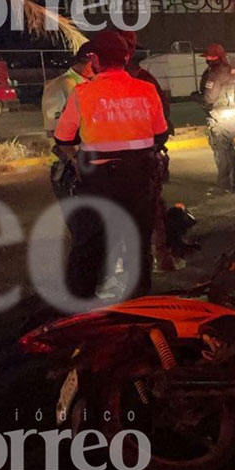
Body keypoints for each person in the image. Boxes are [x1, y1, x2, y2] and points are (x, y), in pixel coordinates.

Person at [54, 30, 169, 301]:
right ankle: (138, 303)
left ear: (94, 60)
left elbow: (63, 138)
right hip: (140, 179)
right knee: (138, 243)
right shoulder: (147, 89)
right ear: (126, 57)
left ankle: (79, 307)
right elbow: (160, 133)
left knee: (90, 243)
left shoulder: (83, 93)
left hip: (98, 180)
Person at [114, 29, 181, 273]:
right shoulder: (146, 81)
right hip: (143, 159)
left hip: (110, 164)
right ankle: (160, 258)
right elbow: (162, 124)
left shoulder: (95, 85)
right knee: (152, 210)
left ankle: (127, 261)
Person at [199, 43, 235, 194]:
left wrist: (197, 98)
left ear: (213, 58)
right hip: (233, 116)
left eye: (208, 57)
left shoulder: (215, 74)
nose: (207, 60)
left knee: (220, 151)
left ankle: (224, 185)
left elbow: (209, 98)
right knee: (230, 148)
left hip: (219, 117)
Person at [42, 42, 95, 140]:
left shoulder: (81, 81)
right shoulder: (62, 85)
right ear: (89, 65)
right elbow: (53, 126)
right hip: (70, 145)